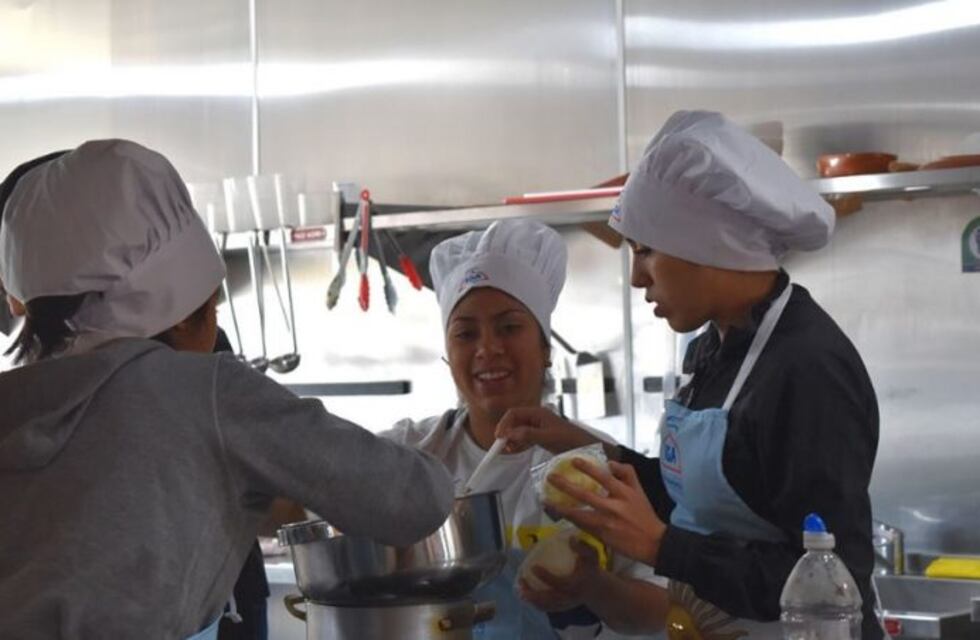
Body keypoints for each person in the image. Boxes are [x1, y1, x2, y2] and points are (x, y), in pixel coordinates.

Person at [0, 140, 454, 639]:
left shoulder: (18, 401)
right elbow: (413, 499)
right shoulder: (209, 391)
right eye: (212, 304)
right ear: (186, 311)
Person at [496, 111, 881, 639]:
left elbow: (830, 581)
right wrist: (581, 444)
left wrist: (659, 546)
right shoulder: (713, 349)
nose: (636, 278)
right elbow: (704, 499)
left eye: (646, 251)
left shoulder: (806, 369)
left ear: (709, 244)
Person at [381, 219, 668, 639]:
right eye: (465, 333)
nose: (487, 348)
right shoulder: (412, 452)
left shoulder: (592, 461)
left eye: (509, 327)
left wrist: (594, 585)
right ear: (447, 355)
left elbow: (656, 613)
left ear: (546, 349)